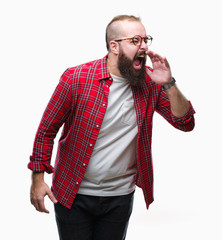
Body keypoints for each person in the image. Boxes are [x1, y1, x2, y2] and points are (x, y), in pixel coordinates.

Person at [28, 15, 195, 240]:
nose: (144, 46)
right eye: (135, 41)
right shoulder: (76, 78)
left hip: (119, 196)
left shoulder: (150, 84)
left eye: (146, 39)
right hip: (72, 193)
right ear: (114, 46)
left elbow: (185, 123)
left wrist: (168, 83)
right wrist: (38, 181)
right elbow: (46, 130)